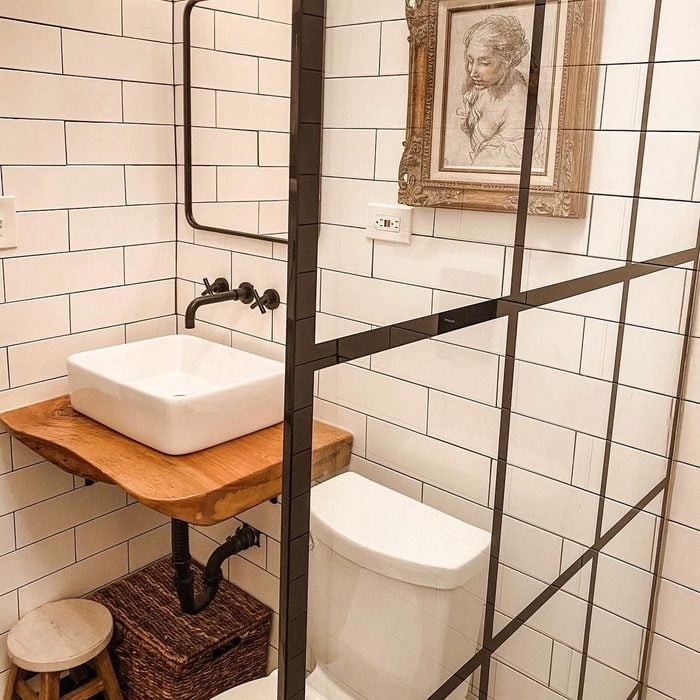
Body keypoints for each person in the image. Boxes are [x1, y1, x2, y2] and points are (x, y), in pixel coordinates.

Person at [456, 14, 545, 169]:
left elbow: (484, 169)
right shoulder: (483, 84)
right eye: (470, 60)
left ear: (508, 60)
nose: (472, 71)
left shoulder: (519, 108)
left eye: (484, 62)